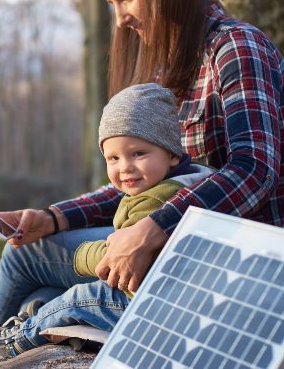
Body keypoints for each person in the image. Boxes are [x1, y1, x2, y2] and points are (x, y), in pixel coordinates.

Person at [0, 0, 284, 365]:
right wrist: (52, 218)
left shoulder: (236, 49)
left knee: (24, 262)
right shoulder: (171, 71)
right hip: (173, 247)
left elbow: (255, 169)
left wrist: (152, 227)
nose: (121, 17)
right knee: (38, 276)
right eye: (112, 2)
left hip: (223, 265)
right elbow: (142, 178)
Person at [70, 83, 214, 291]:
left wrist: (82, 255)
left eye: (138, 154)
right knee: (44, 291)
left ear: (172, 153)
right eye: (113, 158)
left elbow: (122, 260)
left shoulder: (154, 200)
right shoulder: (196, 177)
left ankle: (30, 323)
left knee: (75, 296)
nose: (125, 167)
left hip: (144, 294)